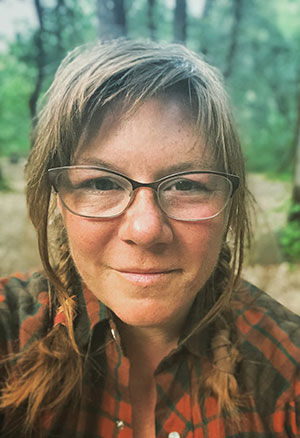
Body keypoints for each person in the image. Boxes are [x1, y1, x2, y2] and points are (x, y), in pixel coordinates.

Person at [0, 39, 299, 438]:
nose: (145, 230)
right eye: (102, 182)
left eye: (186, 186)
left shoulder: (286, 369)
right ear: (57, 198)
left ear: (228, 203)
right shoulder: (11, 333)